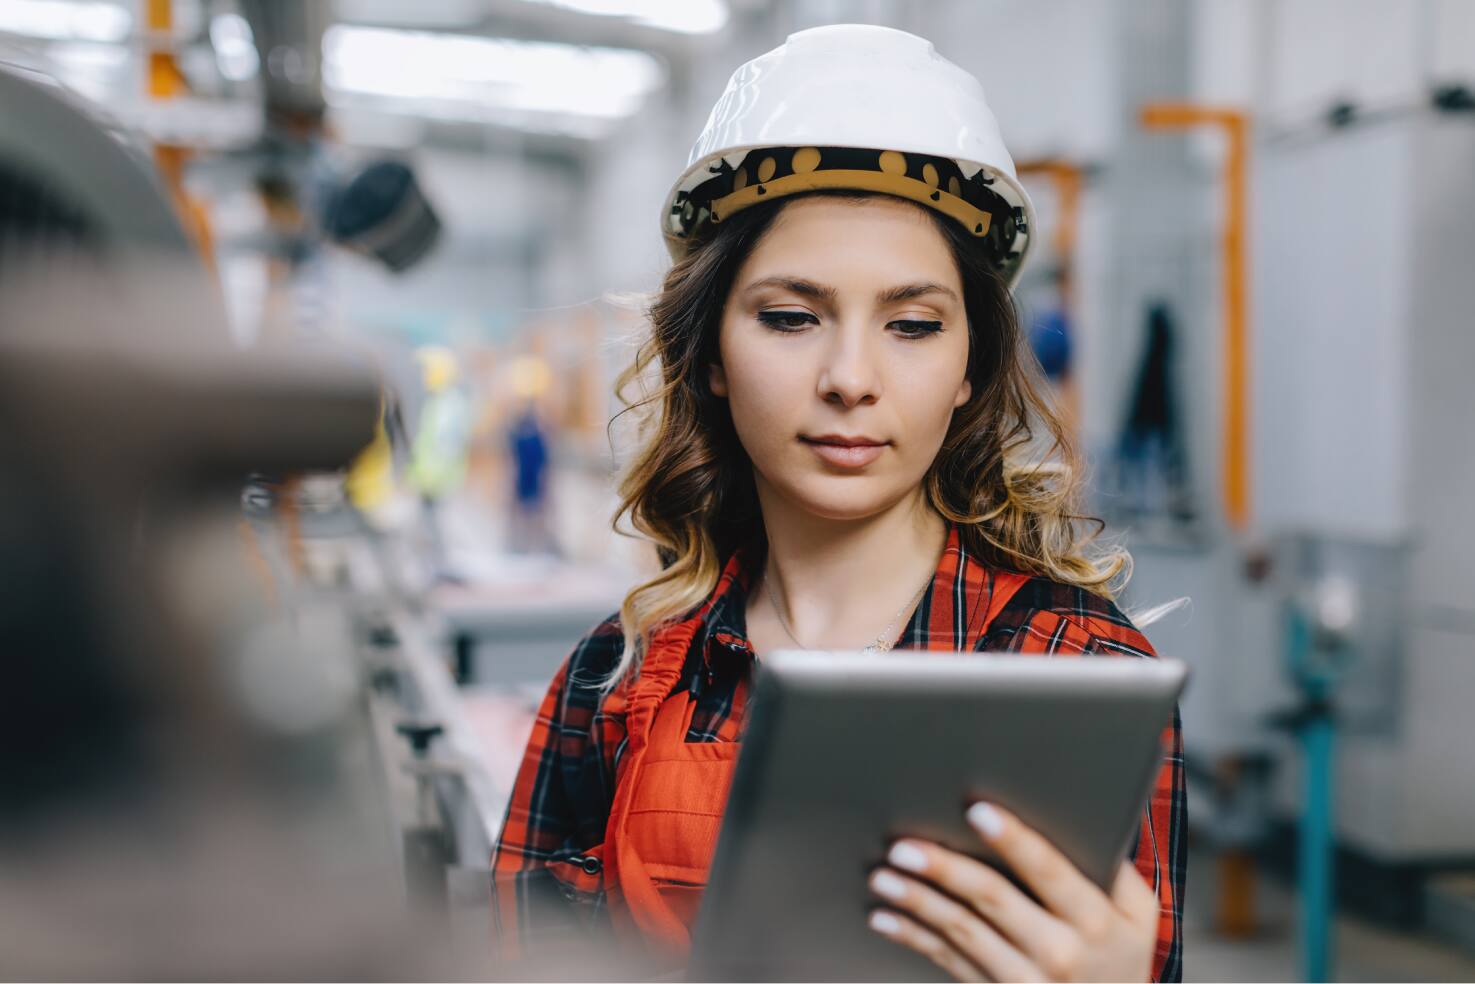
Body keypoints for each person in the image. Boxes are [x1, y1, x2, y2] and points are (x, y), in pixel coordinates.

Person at [490, 24, 1185, 983]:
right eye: (789, 317)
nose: (850, 378)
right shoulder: (617, 678)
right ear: (712, 359)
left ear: (968, 371)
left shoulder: (1077, 672)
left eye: (910, 325)